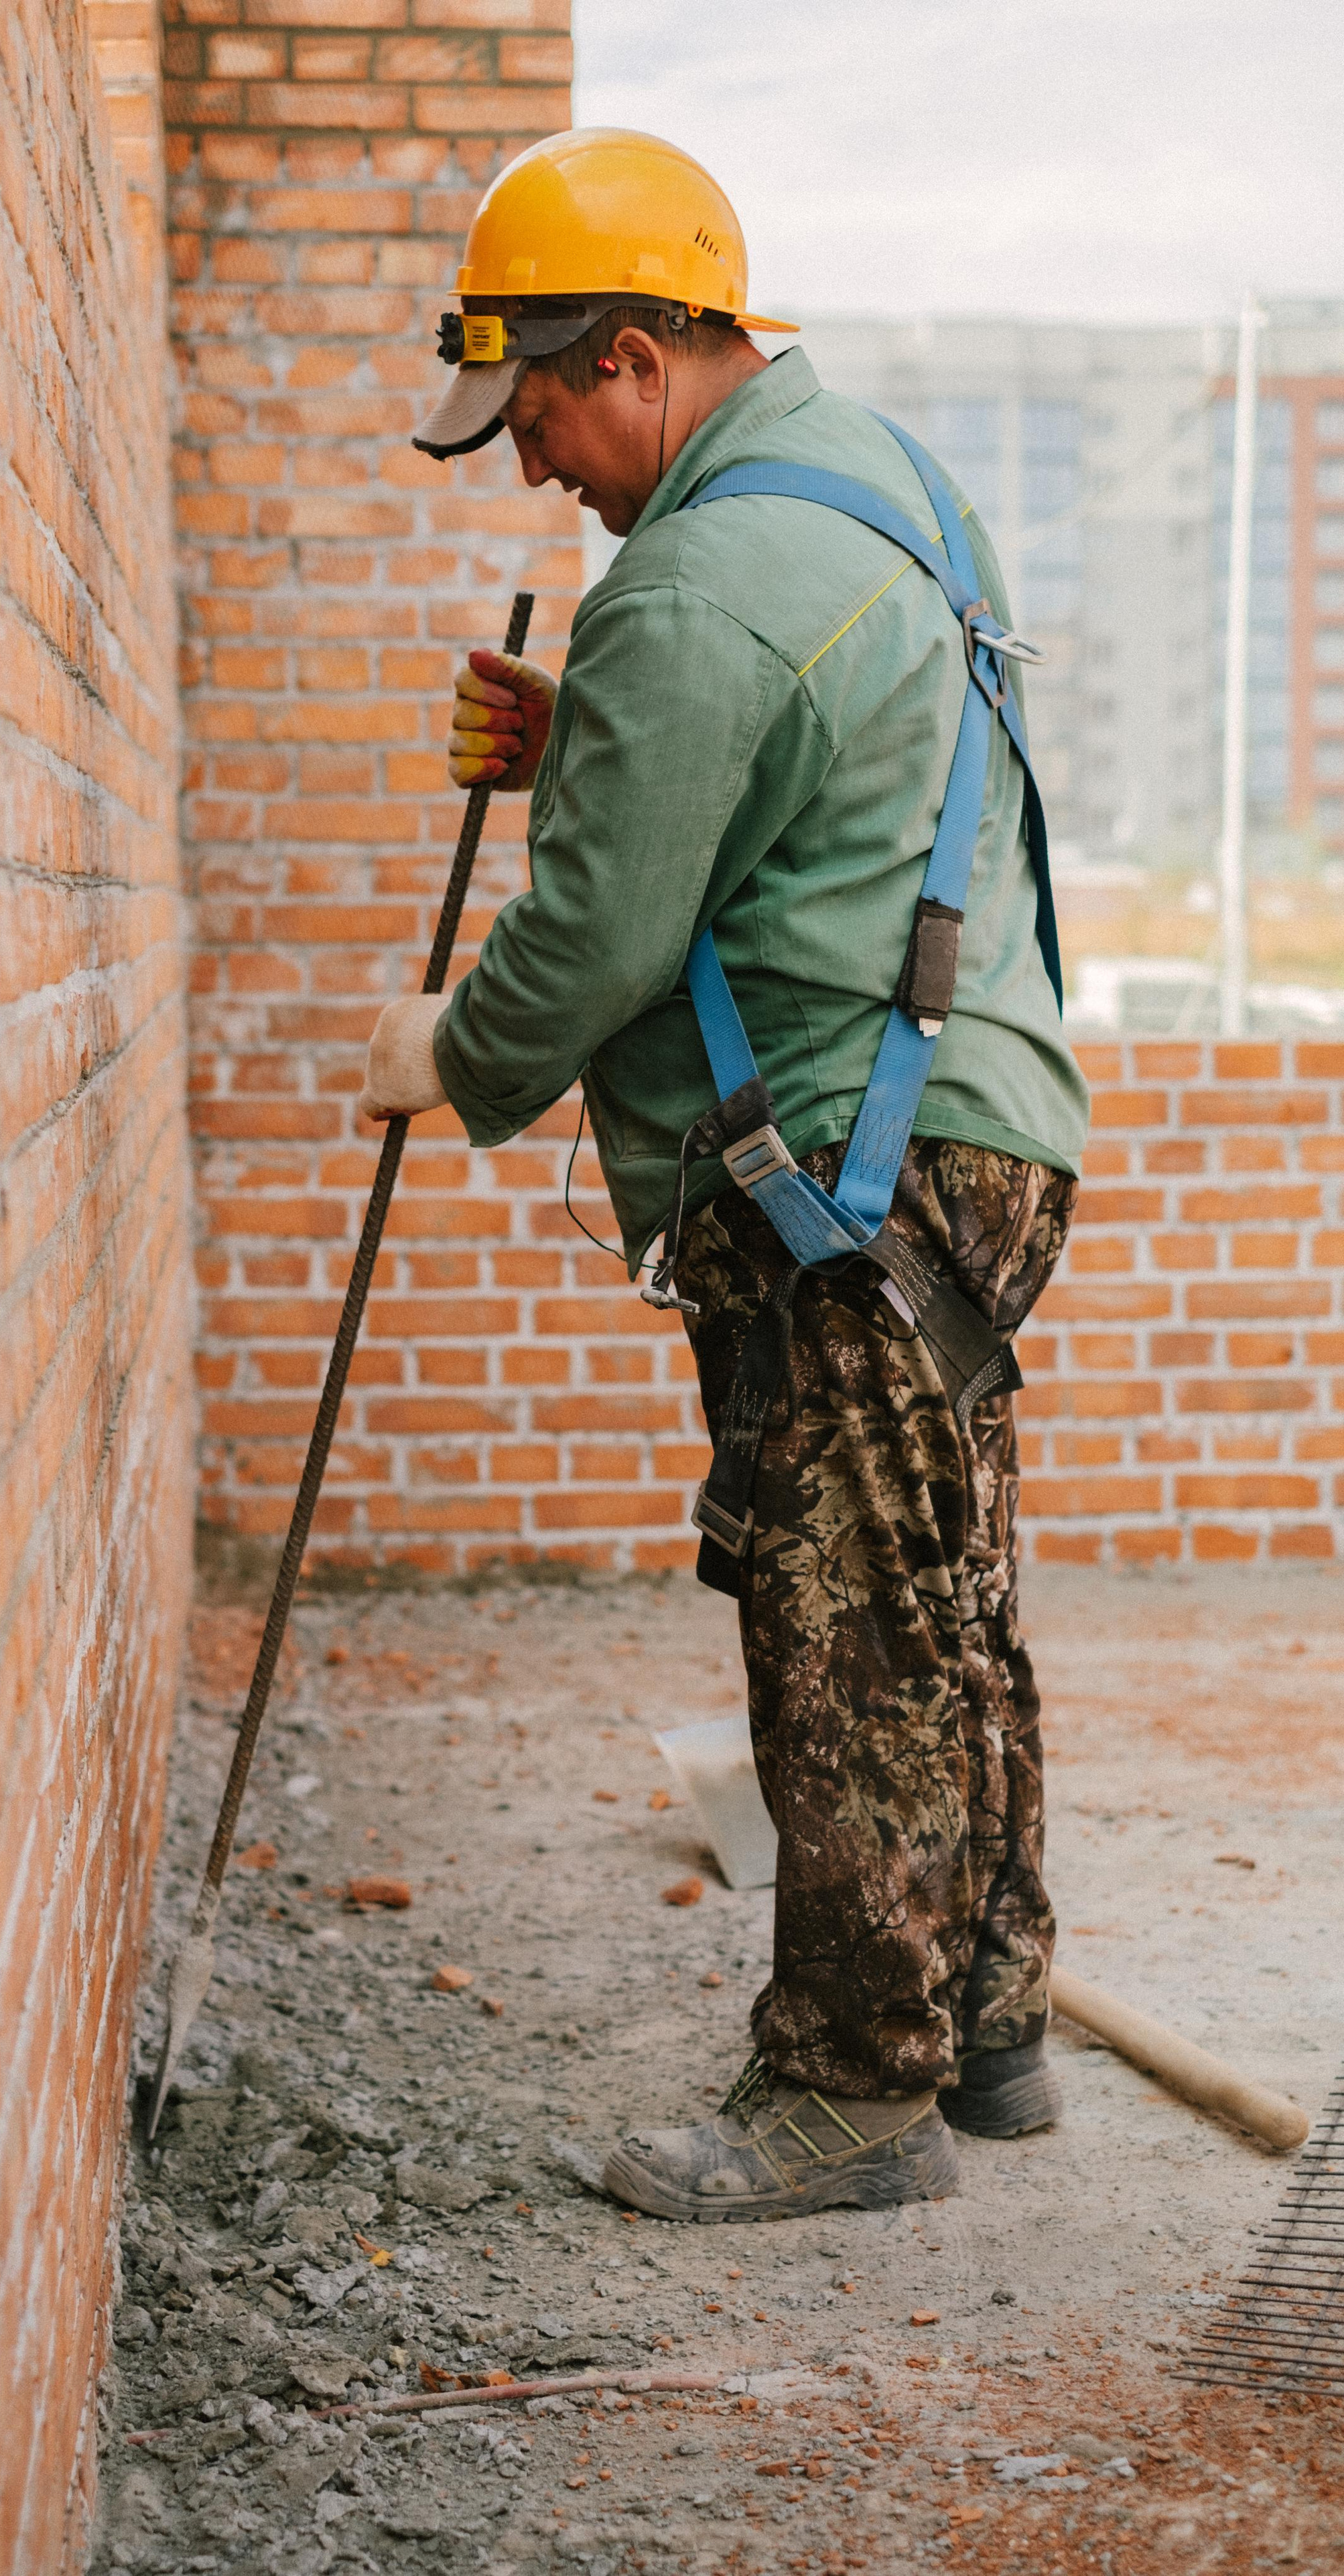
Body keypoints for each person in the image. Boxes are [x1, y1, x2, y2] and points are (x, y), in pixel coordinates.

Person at [358, 129, 1090, 2224]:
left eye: (543, 415)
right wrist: (595, 716)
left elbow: (591, 949)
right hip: (984, 1131)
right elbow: (822, 751)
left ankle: (849, 2093)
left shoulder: (678, 580)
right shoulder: (888, 486)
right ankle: (991, 2026)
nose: (536, 472)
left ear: (644, 357)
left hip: (838, 1176)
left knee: (843, 1610)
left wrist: (450, 1055)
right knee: (950, 1578)